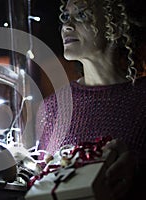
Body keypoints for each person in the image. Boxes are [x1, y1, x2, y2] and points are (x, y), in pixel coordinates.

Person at [35, 0, 146, 199]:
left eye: (82, 15)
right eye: (65, 17)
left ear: (117, 26)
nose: (67, 26)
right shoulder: (54, 107)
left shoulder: (141, 99)